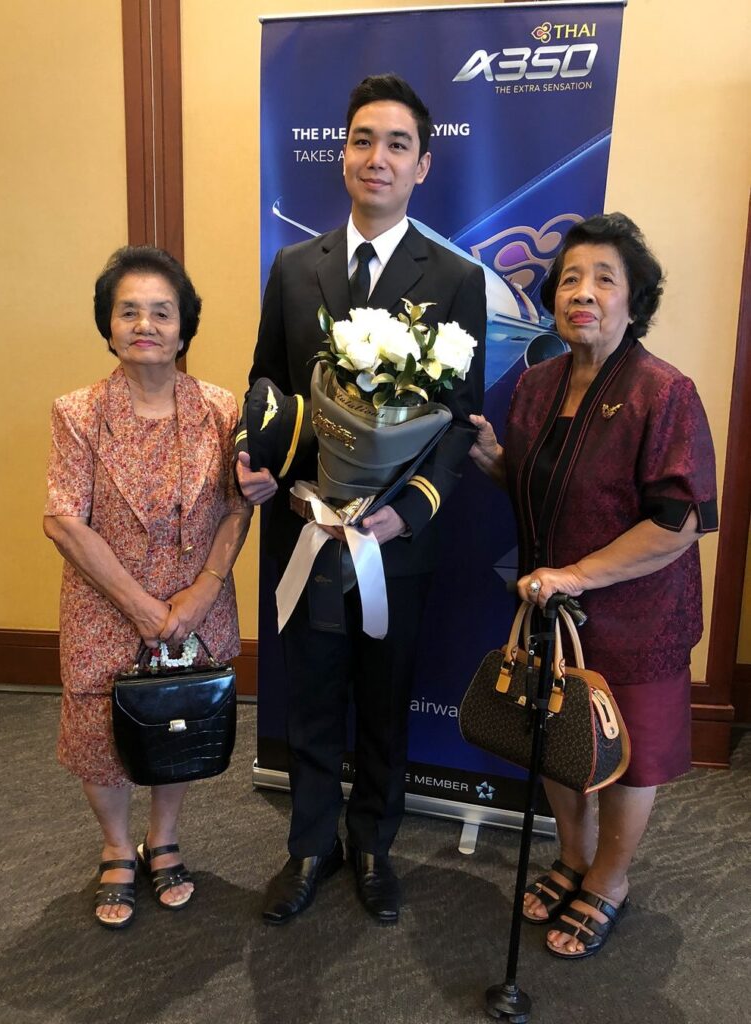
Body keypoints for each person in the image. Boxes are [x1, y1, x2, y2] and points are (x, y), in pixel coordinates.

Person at [237, 74, 487, 926]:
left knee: (384, 696)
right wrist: (258, 460)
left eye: (396, 144)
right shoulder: (292, 268)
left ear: (423, 164)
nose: (376, 157)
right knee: (309, 693)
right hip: (307, 524)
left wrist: (408, 508)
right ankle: (311, 844)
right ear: (340, 154)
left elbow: (459, 418)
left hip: (394, 538)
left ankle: (373, 843)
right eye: (361, 140)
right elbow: (268, 385)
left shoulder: (453, 278)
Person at [469, 213, 717, 959]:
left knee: (626, 754)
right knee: (560, 736)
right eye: (570, 279)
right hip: (553, 610)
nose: (582, 293)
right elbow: (547, 488)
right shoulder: (537, 384)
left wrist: (577, 574)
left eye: (604, 279)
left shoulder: (663, 392)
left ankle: (609, 879)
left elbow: (678, 521)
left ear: (634, 301)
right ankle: (572, 859)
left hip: (637, 614)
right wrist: (497, 462)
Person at [44, 246, 251, 929]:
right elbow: (63, 520)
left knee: (177, 719)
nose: (145, 325)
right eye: (128, 311)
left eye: (162, 312)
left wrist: (203, 593)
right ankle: (115, 846)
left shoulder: (220, 408)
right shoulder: (77, 412)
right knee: (98, 730)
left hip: (195, 602)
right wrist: (138, 606)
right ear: (107, 327)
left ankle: (163, 839)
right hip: (105, 604)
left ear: (184, 328)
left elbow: (238, 506)